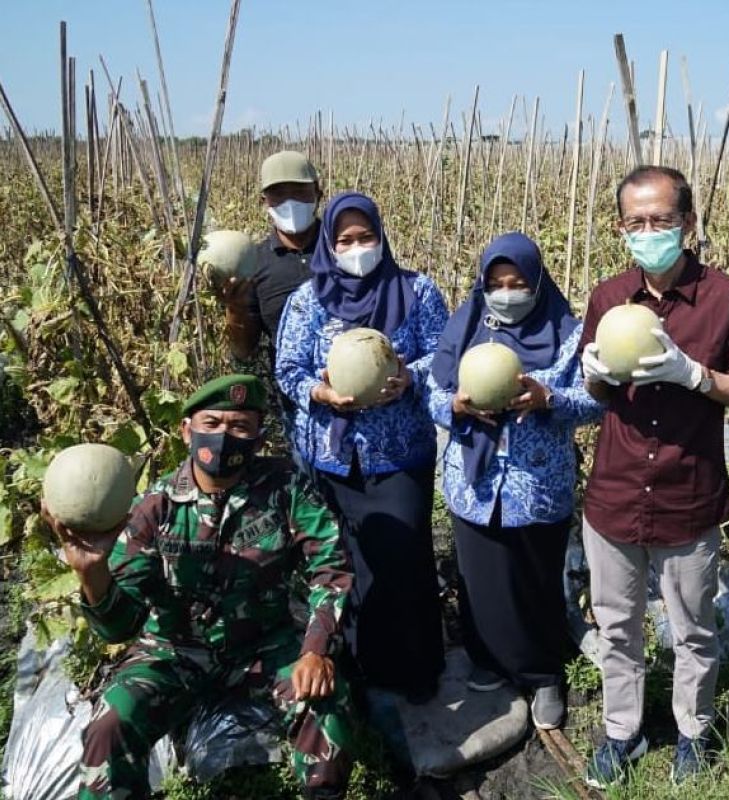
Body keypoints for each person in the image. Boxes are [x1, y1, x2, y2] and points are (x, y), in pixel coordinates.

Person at [43, 375, 355, 800]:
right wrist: (91, 572)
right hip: (174, 650)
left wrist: (316, 648)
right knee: (109, 725)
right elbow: (120, 627)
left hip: (266, 644)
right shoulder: (153, 509)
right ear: (187, 430)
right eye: (212, 422)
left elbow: (330, 566)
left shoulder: (285, 488)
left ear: (258, 437)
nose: (224, 436)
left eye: (240, 427)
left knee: (324, 707)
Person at [577, 166, 729, 786]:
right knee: (617, 627)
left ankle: (693, 730)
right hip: (615, 492)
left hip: (689, 491)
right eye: (637, 222)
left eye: (662, 220)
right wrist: (597, 373)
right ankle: (622, 732)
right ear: (620, 227)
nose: (650, 231)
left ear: (689, 222)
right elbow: (596, 388)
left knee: (692, 629)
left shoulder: (728, 299)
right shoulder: (608, 299)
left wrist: (696, 376)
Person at [275, 192, 449, 715]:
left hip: (398, 454)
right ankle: (361, 665)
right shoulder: (308, 300)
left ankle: (417, 669)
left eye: (365, 237)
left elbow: (444, 355)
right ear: (329, 244)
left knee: (404, 558)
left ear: (381, 236)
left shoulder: (417, 291)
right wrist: (321, 392)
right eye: (345, 240)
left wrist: (406, 378)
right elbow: (288, 370)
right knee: (348, 564)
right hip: (332, 456)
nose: (357, 248)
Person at [428, 231, 603, 730]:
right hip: (474, 482)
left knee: (535, 580)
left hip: (537, 482)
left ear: (539, 282)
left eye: (518, 282)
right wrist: (456, 406)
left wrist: (550, 399)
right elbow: (432, 394)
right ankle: (488, 662)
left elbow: (596, 401)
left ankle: (544, 674)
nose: (507, 292)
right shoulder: (464, 327)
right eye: (497, 283)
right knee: (479, 578)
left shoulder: (569, 333)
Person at [222, 150, 323, 371]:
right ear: (264, 202)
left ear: (318, 191)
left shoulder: (345, 248)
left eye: (299, 191)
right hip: (296, 397)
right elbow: (244, 349)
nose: (290, 201)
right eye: (279, 194)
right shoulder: (253, 263)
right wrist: (236, 308)